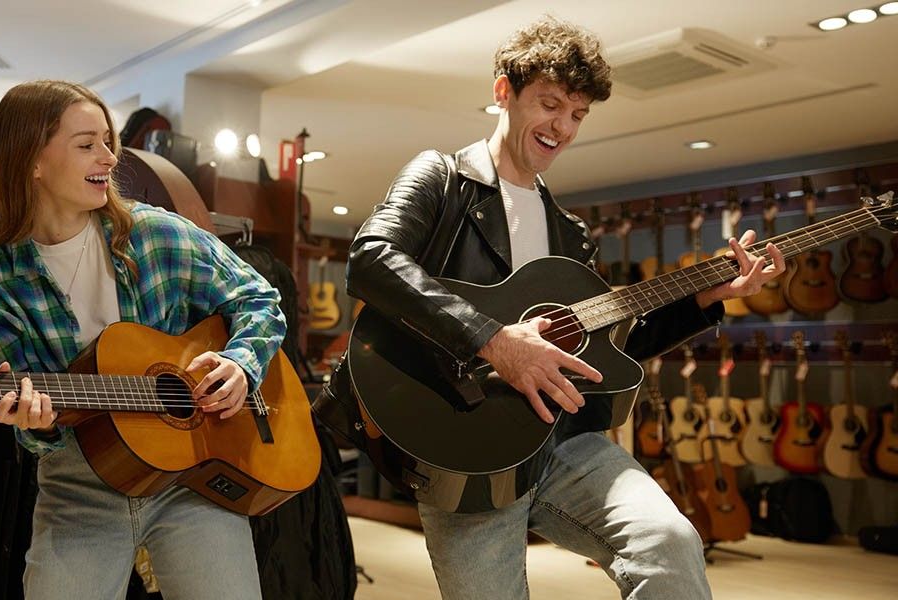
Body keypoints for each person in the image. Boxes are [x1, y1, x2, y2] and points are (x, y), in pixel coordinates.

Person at [317, 16, 784, 600]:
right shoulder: (441, 177)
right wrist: (494, 340)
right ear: (503, 92)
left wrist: (706, 299)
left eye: (578, 114)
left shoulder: (571, 235)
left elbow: (607, 352)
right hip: (466, 450)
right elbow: (371, 259)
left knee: (669, 542)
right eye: (550, 104)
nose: (563, 127)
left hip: (564, 438)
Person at [0, 80, 285, 599]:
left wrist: (242, 364)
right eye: (87, 144)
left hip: (191, 476)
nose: (110, 158)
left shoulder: (156, 233)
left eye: (108, 142)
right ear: (32, 160)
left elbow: (260, 299)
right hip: (80, 485)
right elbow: (31, 425)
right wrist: (35, 422)